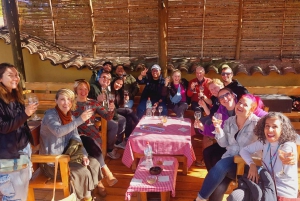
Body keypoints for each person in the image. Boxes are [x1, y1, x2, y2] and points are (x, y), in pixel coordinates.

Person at [194, 93, 267, 201]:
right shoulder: (229, 121)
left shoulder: (258, 124)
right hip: (230, 164)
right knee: (217, 187)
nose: (240, 106)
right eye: (240, 102)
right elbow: (224, 144)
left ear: (251, 109)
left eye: (245, 105)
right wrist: (218, 129)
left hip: (247, 166)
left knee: (221, 165)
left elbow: (270, 141)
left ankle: (198, 200)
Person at [39, 88, 103, 201]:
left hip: (67, 156)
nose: (66, 102)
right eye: (62, 99)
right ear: (56, 101)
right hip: (52, 163)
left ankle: (87, 196)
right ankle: (86, 198)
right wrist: (80, 120)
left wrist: (83, 154)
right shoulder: (50, 115)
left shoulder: (70, 116)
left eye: (69, 99)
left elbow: (76, 137)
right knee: (81, 171)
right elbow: (58, 131)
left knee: (93, 163)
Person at [228, 112, 298, 200]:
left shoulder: (287, 145)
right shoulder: (265, 142)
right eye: (267, 126)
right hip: (264, 185)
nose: (270, 130)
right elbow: (244, 150)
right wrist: (252, 164)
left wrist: (294, 154)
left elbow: (294, 143)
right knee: (234, 197)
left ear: (282, 129)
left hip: (283, 193)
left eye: (274, 126)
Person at [72, 79, 118, 192]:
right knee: (89, 144)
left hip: (92, 133)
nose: (83, 91)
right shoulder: (71, 104)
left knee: (92, 147)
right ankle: (105, 174)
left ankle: (99, 182)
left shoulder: (93, 103)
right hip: (76, 133)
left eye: (86, 89)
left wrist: (112, 109)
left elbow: (107, 117)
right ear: (75, 90)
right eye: (80, 89)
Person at [0, 63, 36, 201]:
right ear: (0, 79)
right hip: (8, 155)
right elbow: (3, 127)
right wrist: (25, 114)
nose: (15, 78)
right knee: (14, 196)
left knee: (21, 194)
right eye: (10, 75)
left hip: (22, 149)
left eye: (16, 75)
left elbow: (19, 123)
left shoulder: (15, 97)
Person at [88, 72, 126, 155]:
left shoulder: (106, 90)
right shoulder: (92, 87)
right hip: (95, 116)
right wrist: (96, 100)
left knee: (122, 119)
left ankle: (117, 142)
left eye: (108, 79)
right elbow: (86, 103)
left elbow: (109, 105)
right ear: (99, 78)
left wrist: (113, 112)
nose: (106, 80)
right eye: (104, 77)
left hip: (105, 114)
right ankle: (109, 149)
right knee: (114, 125)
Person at [193, 78, 224, 166]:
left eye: (215, 88)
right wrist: (203, 106)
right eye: (211, 89)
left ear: (222, 86)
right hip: (216, 120)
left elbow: (217, 117)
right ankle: (203, 151)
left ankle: (205, 158)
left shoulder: (224, 99)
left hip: (223, 126)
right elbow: (211, 114)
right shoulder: (216, 98)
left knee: (206, 127)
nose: (213, 91)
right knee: (200, 122)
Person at [110, 77, 139, 144]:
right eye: (117, 83)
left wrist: (125, 100)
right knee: (128, 111)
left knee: (128, 117)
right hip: (110, 110)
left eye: (120, 84)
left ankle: (127, 138)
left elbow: (119, 105)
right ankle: (138, 124)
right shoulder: (109, 90)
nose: (118, 85)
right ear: (113, 82)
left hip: (116, 109)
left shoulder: (119, 91)